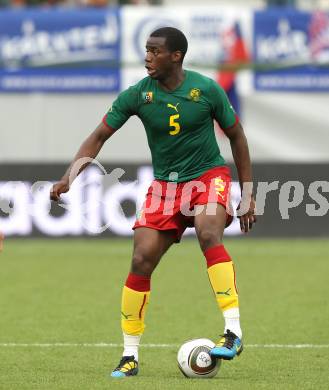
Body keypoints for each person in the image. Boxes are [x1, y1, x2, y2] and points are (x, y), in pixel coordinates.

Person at [50, 27, 256, 378]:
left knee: (209, 233)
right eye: (146, 50)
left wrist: (248, 194)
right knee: (141, 258)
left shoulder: (205, 89)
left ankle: (233, 331)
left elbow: (236, 135)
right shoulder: (137, 95)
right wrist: (70, 177)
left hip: (208, 177)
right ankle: (129, 357)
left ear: (175, 56)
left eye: (154, 51)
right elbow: (98, 136)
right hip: (165, 187)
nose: (147, 57)